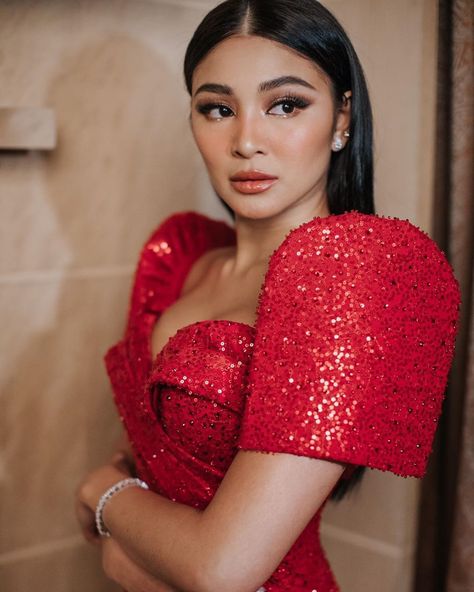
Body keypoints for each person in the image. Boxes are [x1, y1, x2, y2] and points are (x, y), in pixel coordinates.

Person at [75, 1, 461, 590]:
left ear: (342, 118)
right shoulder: (181, 258)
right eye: (217, 108)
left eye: (286, 104)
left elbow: (221, 569)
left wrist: (102, 495)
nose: (246, 140)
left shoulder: (355, 277)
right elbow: (151, 456)